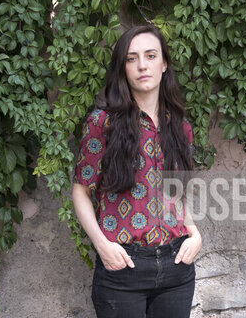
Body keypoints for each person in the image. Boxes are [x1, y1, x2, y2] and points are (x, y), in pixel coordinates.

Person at [71, 25, 202, 318]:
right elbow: (80, 191)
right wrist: (102, 245)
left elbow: (176, 193)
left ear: (164, 63)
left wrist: (194, 234)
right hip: (123, 270)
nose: (142, 65)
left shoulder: (180, 127)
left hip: (176, 268)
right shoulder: (101, 122)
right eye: (131, 58)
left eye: (150, 55)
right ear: (123, 68)